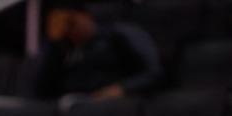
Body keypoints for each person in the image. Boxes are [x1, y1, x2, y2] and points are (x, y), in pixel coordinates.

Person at [34, 4, 163, 100]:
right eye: (66, 32)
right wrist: (56, 42)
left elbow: (153, 73)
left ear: (84, 15)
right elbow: (43, 90)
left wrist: (122, 88)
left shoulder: (120, 34)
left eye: (71, 23)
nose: (71, 32)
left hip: (116, 105)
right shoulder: (67, 50)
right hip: (76, 105)